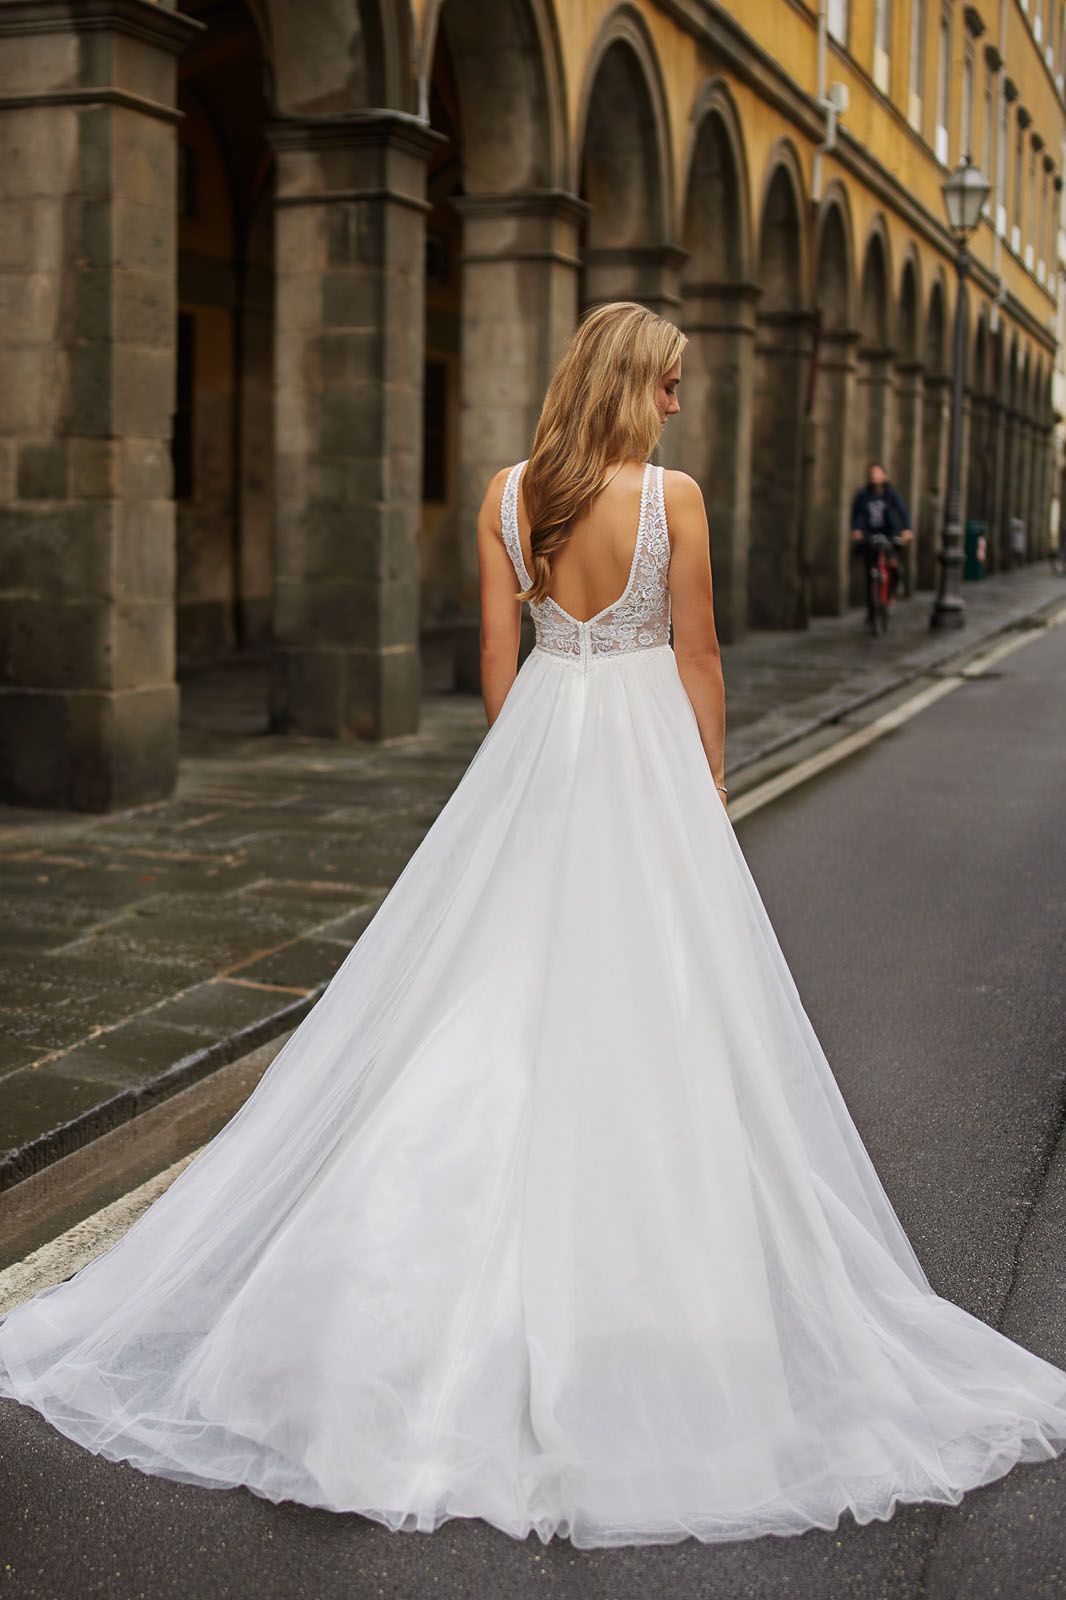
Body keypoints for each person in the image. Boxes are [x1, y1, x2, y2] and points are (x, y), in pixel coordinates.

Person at [2, 303, 1065, 1551]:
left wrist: (525, 778)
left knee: (487, 999)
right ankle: (652, 1291)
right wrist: (702, 799)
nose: (675, 404)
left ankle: (397, 1302)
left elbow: (498, 668)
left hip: (540, 754)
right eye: (667, 383)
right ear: (631, 385)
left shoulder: (512, 493)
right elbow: (698, 658)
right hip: (642, 764)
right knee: (652, 1010)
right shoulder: (674, 501)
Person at [851, 462, 914, 619]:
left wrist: (906, 529)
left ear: (884, 476)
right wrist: (857, 530)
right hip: (870, 535)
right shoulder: (863, 495)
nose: (874, 476)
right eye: (872, 473)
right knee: (870, 570)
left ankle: (891, 594)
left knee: (894, 565)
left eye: (877, 473)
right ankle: (871, 610)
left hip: (889, 533)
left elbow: (902, 511)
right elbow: (857, 514)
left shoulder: (891, 494)